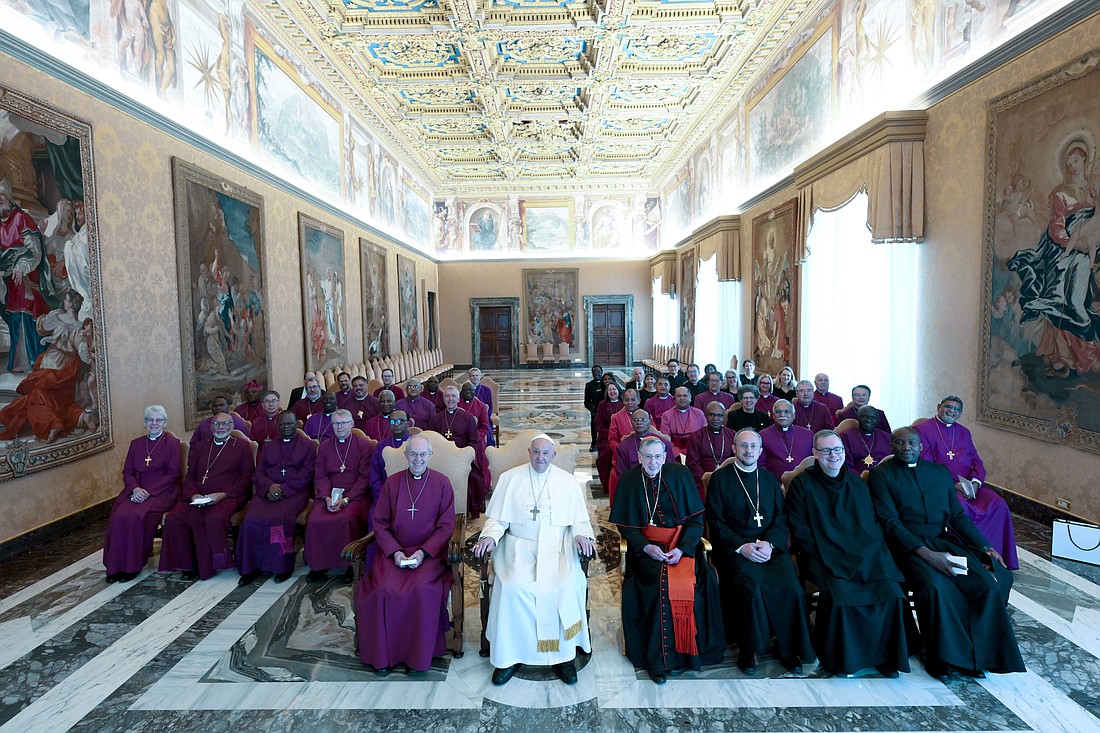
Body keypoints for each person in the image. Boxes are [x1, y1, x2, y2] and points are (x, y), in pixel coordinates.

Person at [869, 428, 1025, 680]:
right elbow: (890, 523)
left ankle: (978, 656)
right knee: (936, 587)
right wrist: (928, 556)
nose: (906, 447)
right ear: (891, 446)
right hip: (906, 547)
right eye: (899, 443)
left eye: (911, 443)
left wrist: (987, 547)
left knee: (985, 584)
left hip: (942, 542)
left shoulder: (939, 473)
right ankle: (942, 658)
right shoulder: (881, 476)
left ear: (921, 447)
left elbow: (957, 517)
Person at [472, 434, 595, 686]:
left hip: (558, 549)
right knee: (512, 587)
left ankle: (563, 657)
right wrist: (489, 538)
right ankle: (510, 657)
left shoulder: (567, 482)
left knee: (565, 585)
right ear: (529, 452)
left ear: (553, 455)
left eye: (546, 453)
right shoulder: (510, 479)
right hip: (518, 550)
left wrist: (582, 536)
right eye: (536, 452)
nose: (540, 458)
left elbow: (579, 521)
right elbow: (498, 520)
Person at [786, 430, 910, 677]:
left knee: (890, 589)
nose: (833, 455)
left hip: (863, 552)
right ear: (815, 454)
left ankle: (885, 656)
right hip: (821, 555)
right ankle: (845, 660)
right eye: (826, 450)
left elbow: (870, 523)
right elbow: (800, 531)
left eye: (838, 450)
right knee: (842, 593)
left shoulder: (856, 483)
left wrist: (867, 551)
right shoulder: (801, 485)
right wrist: (834, 553)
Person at [611, 437, 725, 683]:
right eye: (648, 457)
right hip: (646, 552)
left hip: (681, 547)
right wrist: (645, 547)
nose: (653, 462)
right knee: (658, 586)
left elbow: (695, 521)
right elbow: (625, 526)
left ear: (666, 457)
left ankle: (689, 656)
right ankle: (659, 662)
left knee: (700, 584)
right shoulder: (629, 480)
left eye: (658, 457)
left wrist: (683, 549)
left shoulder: (680, 475)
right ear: (639, 457)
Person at [705, 429, 814, 674]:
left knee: (791, 587)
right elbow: (715, 520)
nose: (748, 451)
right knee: (751, 587)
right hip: (734, 551)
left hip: (769, 548)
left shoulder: (767, 479)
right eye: (743, 446)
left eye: (753, 446)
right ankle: (749, 650)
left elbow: (780, 516)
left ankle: (787, 649)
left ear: (760, 450)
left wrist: (770, 544)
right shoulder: (720, 479)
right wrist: (742, 547)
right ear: (734, 449)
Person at [356, 434, 457, 675]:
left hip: (428, 555)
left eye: (423, 454)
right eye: (413, 454)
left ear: (430, 455)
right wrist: (395, 552)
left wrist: (424, 552)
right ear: (405, 455)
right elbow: (379, 523)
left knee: (422, 589)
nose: (418, 459)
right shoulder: (392, 483)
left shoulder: (442, 483)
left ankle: (417, 657)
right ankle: (383, 656)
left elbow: (447, 525)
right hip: (394, 553)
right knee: (380, 589)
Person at [1007, 136, 1100, 377]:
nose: (1072, 164)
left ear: (1085, 160)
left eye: (1077, 159)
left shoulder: (1092, 190)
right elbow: (1056, 223)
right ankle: (1065, 355)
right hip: (1064, 247)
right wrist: (1069, 242)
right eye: (1069, 159)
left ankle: (1089, 351)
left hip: (1092, 245)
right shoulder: (1061, 193)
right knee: (1064, 289)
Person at [913, 396, 1019, 569]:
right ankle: (973, 559)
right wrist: (950, 485)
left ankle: (996, 558)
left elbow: (977, 461)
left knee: (998, 504)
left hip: (969, 485)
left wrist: (975, 484)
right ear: (939, 406)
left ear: (960, 413)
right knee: (962, 508)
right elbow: (925, 465)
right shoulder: (921, 430)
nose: (952, 411)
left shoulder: (964, 432)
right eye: (948, 407)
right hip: (942, 486)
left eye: (956, 409)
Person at [159, 412, 255, 580]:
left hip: (229, 496)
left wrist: (222, 494)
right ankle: (187, 565)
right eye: (217, 424)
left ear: (232, 426)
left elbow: (247, 476)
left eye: (225, 424)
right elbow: (190, 475)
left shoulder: (242, 446)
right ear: (211, 427)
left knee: (212, 519)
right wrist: (193, 494)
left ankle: (211, 564)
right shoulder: (202, 446)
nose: (221, 427)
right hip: (199, 496)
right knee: (175, 519)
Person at [237, 410, 317, 585]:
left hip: (294, 492)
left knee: (278, 520)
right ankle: (251, 567)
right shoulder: (269, 446)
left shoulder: (308, 446)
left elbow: (306, 475)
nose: (286, 427)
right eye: (282, 424)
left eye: (289, 424)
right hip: (267, 491)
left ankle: (282, 566)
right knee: (251, 520)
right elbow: (259, 473)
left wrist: (283, 489)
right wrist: (269, 487)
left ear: (297, 424)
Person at [102, 405, 181, 582]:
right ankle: (115, 567)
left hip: (162, 492)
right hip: (136, 490)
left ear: (165, 423)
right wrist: (136, 489)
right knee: (119, 516)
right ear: (144, 423)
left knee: (136, 516)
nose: (154, 423)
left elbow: (173, 474)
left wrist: (148, 492)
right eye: (150, 420)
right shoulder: (136, 444)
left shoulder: (172, 444)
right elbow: (127, 472)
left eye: (158, 420)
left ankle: (132, 566)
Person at [305, 409, 373, 581]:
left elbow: (365, 477)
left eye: (343, 423)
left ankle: (350, 564)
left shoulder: (364, 446)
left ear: (351, 424)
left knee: (346, 519)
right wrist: (327, 497)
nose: (339, 427)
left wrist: (346, 499)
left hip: (355, 495)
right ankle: (319, 565)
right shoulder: (325, 446)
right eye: (336, 423)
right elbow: (320, 475)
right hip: (329, 493)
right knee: (315, 520)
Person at [428, 385, 489, 519]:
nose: (450, 399)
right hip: (441, 459)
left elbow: (473, 441)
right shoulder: (435, 419)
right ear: (443, 399)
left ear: (458, 398)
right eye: (447, 396)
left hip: (461, 458)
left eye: (453, 396)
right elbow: (431, 442)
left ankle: (464, 511)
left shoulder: (467, 418)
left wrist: (466, 457)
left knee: (474, 478)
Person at [686, 402, 736, 495]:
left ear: (724, 416)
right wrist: (707, 478)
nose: (715, 419)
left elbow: (736, 460)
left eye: (719, 415)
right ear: (705, 415)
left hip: (727, 481)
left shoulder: (732, 435)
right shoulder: (696, 436)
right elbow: (692, 464)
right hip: (702, 481)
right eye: (712, 415)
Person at [758, 400, 813, 481]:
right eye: (778, 412)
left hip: (805, 484)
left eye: (787, 411)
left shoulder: (808, 435)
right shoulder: (763, 435)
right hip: (775, 485)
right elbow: (760, 464)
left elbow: (813, 461)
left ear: (794, 415)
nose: (782, 415)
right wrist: (772, 484)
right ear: (773, 415)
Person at [368, 408, 412, 500]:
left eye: (400, 421)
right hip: (386, 494)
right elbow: (374, 477)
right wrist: (386, 496)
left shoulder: (416, 444)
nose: (396, 424)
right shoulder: (381, 446)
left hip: (412, 494)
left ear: (408, 423)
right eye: (392, 421)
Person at [658, 386, 707, 455]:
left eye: (685, 395)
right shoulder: (666, 415)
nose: (682, 398)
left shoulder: (699, 413)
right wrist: (677, 453)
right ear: (674, 399)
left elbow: (705, 436)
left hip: (696, 452)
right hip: (674, 454)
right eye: (679, 396)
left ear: (690, 398)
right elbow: (665, 439)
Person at [841, 405, 892, 471]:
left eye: (872, 418)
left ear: (877, 420)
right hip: (856, 477)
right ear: (858, 417)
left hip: (883, 477)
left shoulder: (887, 437)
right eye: (865, 416)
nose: (868, 420)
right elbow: (847, 465)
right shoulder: (847, 437)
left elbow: (891, 461)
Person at [593, 381, 623, 490]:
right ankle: (607, 483)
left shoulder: (623, 404)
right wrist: (610, 434)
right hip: (605, 437)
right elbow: (598, 424)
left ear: (618, 390)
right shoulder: (602, 404)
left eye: (614, 389)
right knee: (607, 452)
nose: (612, 391)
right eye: (609, 390)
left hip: (621, 436)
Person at [467, 367, 495, 446]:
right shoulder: (465, 390)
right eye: (472, 376)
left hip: (483, 419)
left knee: (487, 431)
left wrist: (482, 419)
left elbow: (490, 408)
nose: (475, 377)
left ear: (480, 377)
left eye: (477, 375)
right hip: (468, 420)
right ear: (469, 377)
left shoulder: (486, 390)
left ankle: (487, 451)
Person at [458, 382, 491, 446]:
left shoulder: (481, 406)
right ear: (462, 392)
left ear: (474, 392)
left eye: (471, 390)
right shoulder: (457, 405)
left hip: (476, 438)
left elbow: (484, 427)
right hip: (460, 438)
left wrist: (473, 437)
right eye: (466, 390)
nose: (468, 392)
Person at [583, 365, 605, 451]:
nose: (597, 374)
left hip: (606, 410)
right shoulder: (589, 385)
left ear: (601, 372)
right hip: (595, 411)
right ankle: (594, 443)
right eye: (594, 372)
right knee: (594, 426)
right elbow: (587, 401)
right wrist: (592, 409)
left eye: (598, 372)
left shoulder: (605, 384)